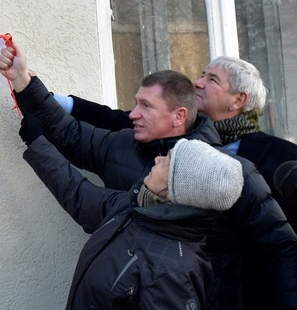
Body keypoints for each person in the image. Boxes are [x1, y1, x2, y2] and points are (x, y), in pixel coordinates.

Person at [0, 44, 297, 310]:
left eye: (145, 105)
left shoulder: (230, 173)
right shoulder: (122, 144)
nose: (133, 113)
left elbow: (280, 248)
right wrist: (24, 82)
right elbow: (71, 136)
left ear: (178, 117)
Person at [53, 56, 297, 244]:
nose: (197, 82)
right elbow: (108, 118)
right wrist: (41, 94)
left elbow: (292, 238)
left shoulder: (282, 156)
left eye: (211, 79)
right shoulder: (172, 129)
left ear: (239, 99)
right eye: (201, 75)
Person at [21, 109, 243, 309]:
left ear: (175, 189)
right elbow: (79, 194)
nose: (157, 159)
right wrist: (38, 144)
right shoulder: (134, 207)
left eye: (166, 162)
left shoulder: (171, 272)